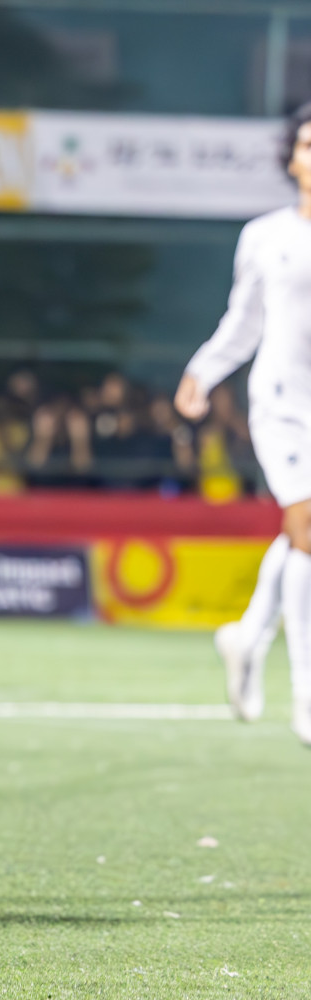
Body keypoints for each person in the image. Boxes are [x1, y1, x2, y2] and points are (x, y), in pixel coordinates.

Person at [175, 101, 311, 745]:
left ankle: (248, 634)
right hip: (284, 405)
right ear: (291, 157)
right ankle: (306, 697)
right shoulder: (265, 235)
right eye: (308, 145)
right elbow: (244, 320)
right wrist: (203, 371)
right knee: (307, 527)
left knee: (303, 533)